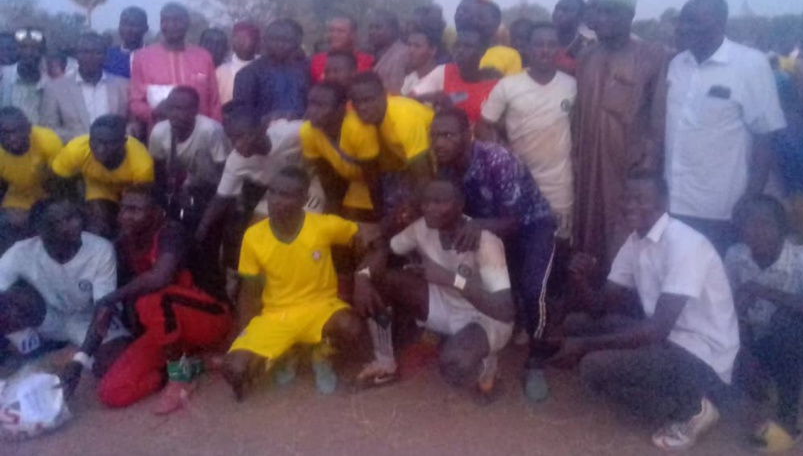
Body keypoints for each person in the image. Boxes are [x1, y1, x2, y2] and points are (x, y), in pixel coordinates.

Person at [552, 173, 739, 451]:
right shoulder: (635, 242)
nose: (630, 206)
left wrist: (582, 348)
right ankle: (676, 398)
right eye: (626, 198)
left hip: (702, 357)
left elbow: (656, 329)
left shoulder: (686, 245)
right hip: (668, 341)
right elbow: (600, 309)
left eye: (640, 199)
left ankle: (693, 408)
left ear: (663, 202)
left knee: (594, 365)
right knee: (575, 324)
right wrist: (580, 279)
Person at [430, 107, 556, 402]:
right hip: (486, 231)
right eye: (434, 136)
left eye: (448, 135)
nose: (439, 142)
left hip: (531, 226)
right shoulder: (444, 167)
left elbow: (513, 220)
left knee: (532, 289)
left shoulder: (496, 159)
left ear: (467, 134)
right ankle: (489, 344)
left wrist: (478, 226)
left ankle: (537, 361)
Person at [221, 167, 379, 399]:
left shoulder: (322, 226)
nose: (275, 200)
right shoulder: (254, 237)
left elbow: (366, 238)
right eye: (272, 193)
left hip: (320, 307)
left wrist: (363, 274)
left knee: (352, 328)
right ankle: (290, 351)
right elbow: (249, 291)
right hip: (276, 314)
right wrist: (245, 335)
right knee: (234, 368)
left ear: (304, 198)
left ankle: (321, 352)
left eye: (286, 195)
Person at [77, 187, 231, 413]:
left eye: (134, 210)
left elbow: (160, 277)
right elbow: (111, 304)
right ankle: (193, 366)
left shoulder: (171, 233)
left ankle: (181, 377)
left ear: (158, 214)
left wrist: (109, 299)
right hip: (168, 330)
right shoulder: (123, 245)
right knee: (111, 391)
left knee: (149, 299)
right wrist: (81, 358)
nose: (124, 216)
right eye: (123, 209)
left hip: (210, 318)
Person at [355, 179, 514, 398]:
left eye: (440, 202)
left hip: (485, 319)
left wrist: (451, 279)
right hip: (444, 305)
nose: (430, 208)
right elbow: (386, 248)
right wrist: (362, 277)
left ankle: (487, 365)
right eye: (426, 202)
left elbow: (504, 310)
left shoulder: (486, 242)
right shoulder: (421, 228)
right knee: (382, 281)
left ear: (460, 205)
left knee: (455, 364)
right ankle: (385, 364)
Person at [725, 195, 803, 451]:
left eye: (765, 224)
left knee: (786, 322)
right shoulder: (736, 256)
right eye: (748, 223)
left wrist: (764, 291)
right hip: (765, 345)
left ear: (783, 229)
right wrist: (746, 356)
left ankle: (788, 423)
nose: (755, 231)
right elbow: (732, 313)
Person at [666, 0, 785, 255]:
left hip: (722, 208)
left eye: (695, 21)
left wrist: (751, 198)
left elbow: (766, 136)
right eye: (683, 21)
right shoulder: (677, 65)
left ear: (720, 23)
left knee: (714, 286)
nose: (685, 27)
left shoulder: (750, 64)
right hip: (673, 202)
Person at [572, 0, 668, 274]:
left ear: (629, 16)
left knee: (625, 225)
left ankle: (624, 292)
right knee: (589, 224)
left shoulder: (651, 55)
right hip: (589, 161)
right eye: (599, 12)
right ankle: (591, 289)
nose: (602, 19)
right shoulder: (587, 56)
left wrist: (649, 159)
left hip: (628, 162)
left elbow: (658, 113)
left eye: (610, 12)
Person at [0, 199, 127, 387]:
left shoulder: (100, 249)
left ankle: (70, 351)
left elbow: (103, 310)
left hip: (87, 318)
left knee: (113, 366)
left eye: (74, 217)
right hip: (48, 316)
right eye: (63, 220)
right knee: (12, 299)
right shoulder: (21, 252)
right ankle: (29, 348)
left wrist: (79, 361)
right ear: (40, 229)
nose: (75, 223)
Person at [194, 105, 313, 286]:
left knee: (308, 228)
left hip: (311, 182)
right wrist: (202, 228)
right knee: (255, 233)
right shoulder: (236, 160)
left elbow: (320, 127)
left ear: (262, 129)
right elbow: (222, 198)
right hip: (274, 191)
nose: (238, 145)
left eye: (243, 136)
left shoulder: (292, 133)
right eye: (232, 139)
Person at [480, 23, 577, 243]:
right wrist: (502, 156)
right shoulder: (508, 86)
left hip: (559, 183)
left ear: (559, 50)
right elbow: (484, 124)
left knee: (559, 243)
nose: (545, 50)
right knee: (518, 243)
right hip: (518, 182)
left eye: (551, 45)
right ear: (528, 49)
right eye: (539, 44)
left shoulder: (571, 86)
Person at [348, 72, 434, 230]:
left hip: (441, 168)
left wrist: (391, 221)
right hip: (406, 170)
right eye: (357, 102)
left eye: (368, 100)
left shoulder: (402, 117)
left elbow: (424, 178)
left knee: (402, 219)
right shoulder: (366, 121)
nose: (362, 107)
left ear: (383, 95)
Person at [51, 115, 154, 238]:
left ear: (123, 142)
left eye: (108, 144)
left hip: (130, 191)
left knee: (128, 229)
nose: (100, 149)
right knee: (99, 226)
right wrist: (77, 209)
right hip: (98, 185)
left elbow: (140, 201)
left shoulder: (142, 165)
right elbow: (58, 179)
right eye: (95, 141)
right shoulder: (75, 150)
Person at [129, 2, 222, 127]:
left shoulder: (203, 57)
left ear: (187, 23)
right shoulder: (142, 58)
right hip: (161, 135)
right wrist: (153, 112)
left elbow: (214, 102)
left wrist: (214, 131)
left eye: (177, 20)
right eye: (165, 20)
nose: (171, 25)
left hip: (200, 136)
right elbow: (135, 102)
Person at [148, 86, 230, 224]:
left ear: (195, 111)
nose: (175, 114)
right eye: (172, 108)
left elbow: (225, 173)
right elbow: (159, 175)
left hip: (214, 189)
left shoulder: (211, 131)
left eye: (182, 109)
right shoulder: (159, 132)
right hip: (182, 188)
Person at [301, 82, 378, 219]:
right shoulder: (308, 131)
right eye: (311, 103)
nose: (312, 111)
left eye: (321, 106)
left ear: (341, 109)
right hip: (345, 179)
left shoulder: (359, 130)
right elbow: (326, 177)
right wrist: (333, 211)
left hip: (374, 180)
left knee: (355, 219)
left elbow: (373, 179)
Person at [39, 32, 129, 143]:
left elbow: (131, 123)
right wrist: (88, 139)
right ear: (76, 55)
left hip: (115, 154)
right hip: (74, 154)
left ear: (105, 56)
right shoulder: (55, 88)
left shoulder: (122, 85)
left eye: (97, 52)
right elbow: (48, 129)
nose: (90, 58)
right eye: (85, 52)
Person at [0, 107, 63, 247]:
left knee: (50, 224)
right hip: (17, 199)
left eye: (17, 131)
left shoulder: (47, 140)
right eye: (4, 133)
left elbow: (63, 184)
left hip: (49, 196)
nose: (12, 138)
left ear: (28, 129)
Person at [411, 28, 500, 125]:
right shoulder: (444, 72)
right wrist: (432, 97)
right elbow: (409, 99)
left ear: (482, 50)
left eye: (468, 46)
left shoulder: (496, 86)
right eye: (457, 45)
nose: (460, 51)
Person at [231, 19, 309, 123]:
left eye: (286, 40)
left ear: (295, 43)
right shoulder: (248, 74)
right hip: (263, 134)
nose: (280, 44)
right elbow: (243, 115)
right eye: (275, 39)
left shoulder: (304, 70)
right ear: (265, 41)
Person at [454, 0, 523, 77]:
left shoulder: (509, 56)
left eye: (465, 11)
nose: (460, 14)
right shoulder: (455, 52)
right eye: (459, 10)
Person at [0, 27, 48, 124]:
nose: (28, 52)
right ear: (16, 49)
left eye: (34, 48)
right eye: (23, 47)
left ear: (42, 51)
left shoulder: (50, 82)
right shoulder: (3, 76)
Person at [310, 16, 374, 83]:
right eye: (331, 30)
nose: (334, 35)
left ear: (353, 35)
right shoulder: (317, 60)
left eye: (340, 31)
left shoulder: (367, 61)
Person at [216, 21, 260, 105]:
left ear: (256, 41)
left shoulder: (263, 68)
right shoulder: (220, 71)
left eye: (246, 38)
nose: (241, 42)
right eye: (237, 37)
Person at [369, 9, 410, 94]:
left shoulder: (401, 55)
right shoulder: (380, 52)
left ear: (393, 30)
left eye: (378, 27)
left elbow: (396, 91)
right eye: (371, 27)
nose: (372, 32)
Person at [105, 6, 148, 79]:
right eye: (124, 24)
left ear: (146, 29)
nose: (128, 29)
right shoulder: (106, 57)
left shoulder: (156, 57)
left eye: (134, 25)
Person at [551, 0, 589, 74]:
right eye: (557, 8)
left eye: (565, 10)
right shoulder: (542, 44)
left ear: (581, 17)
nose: (558, 14)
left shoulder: (587, 49)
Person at [401, 28, 444, 95]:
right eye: (409, 45)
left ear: (433, 50)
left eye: (417, 46)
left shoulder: (443, 74)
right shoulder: (411, 78)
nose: (411, 50)